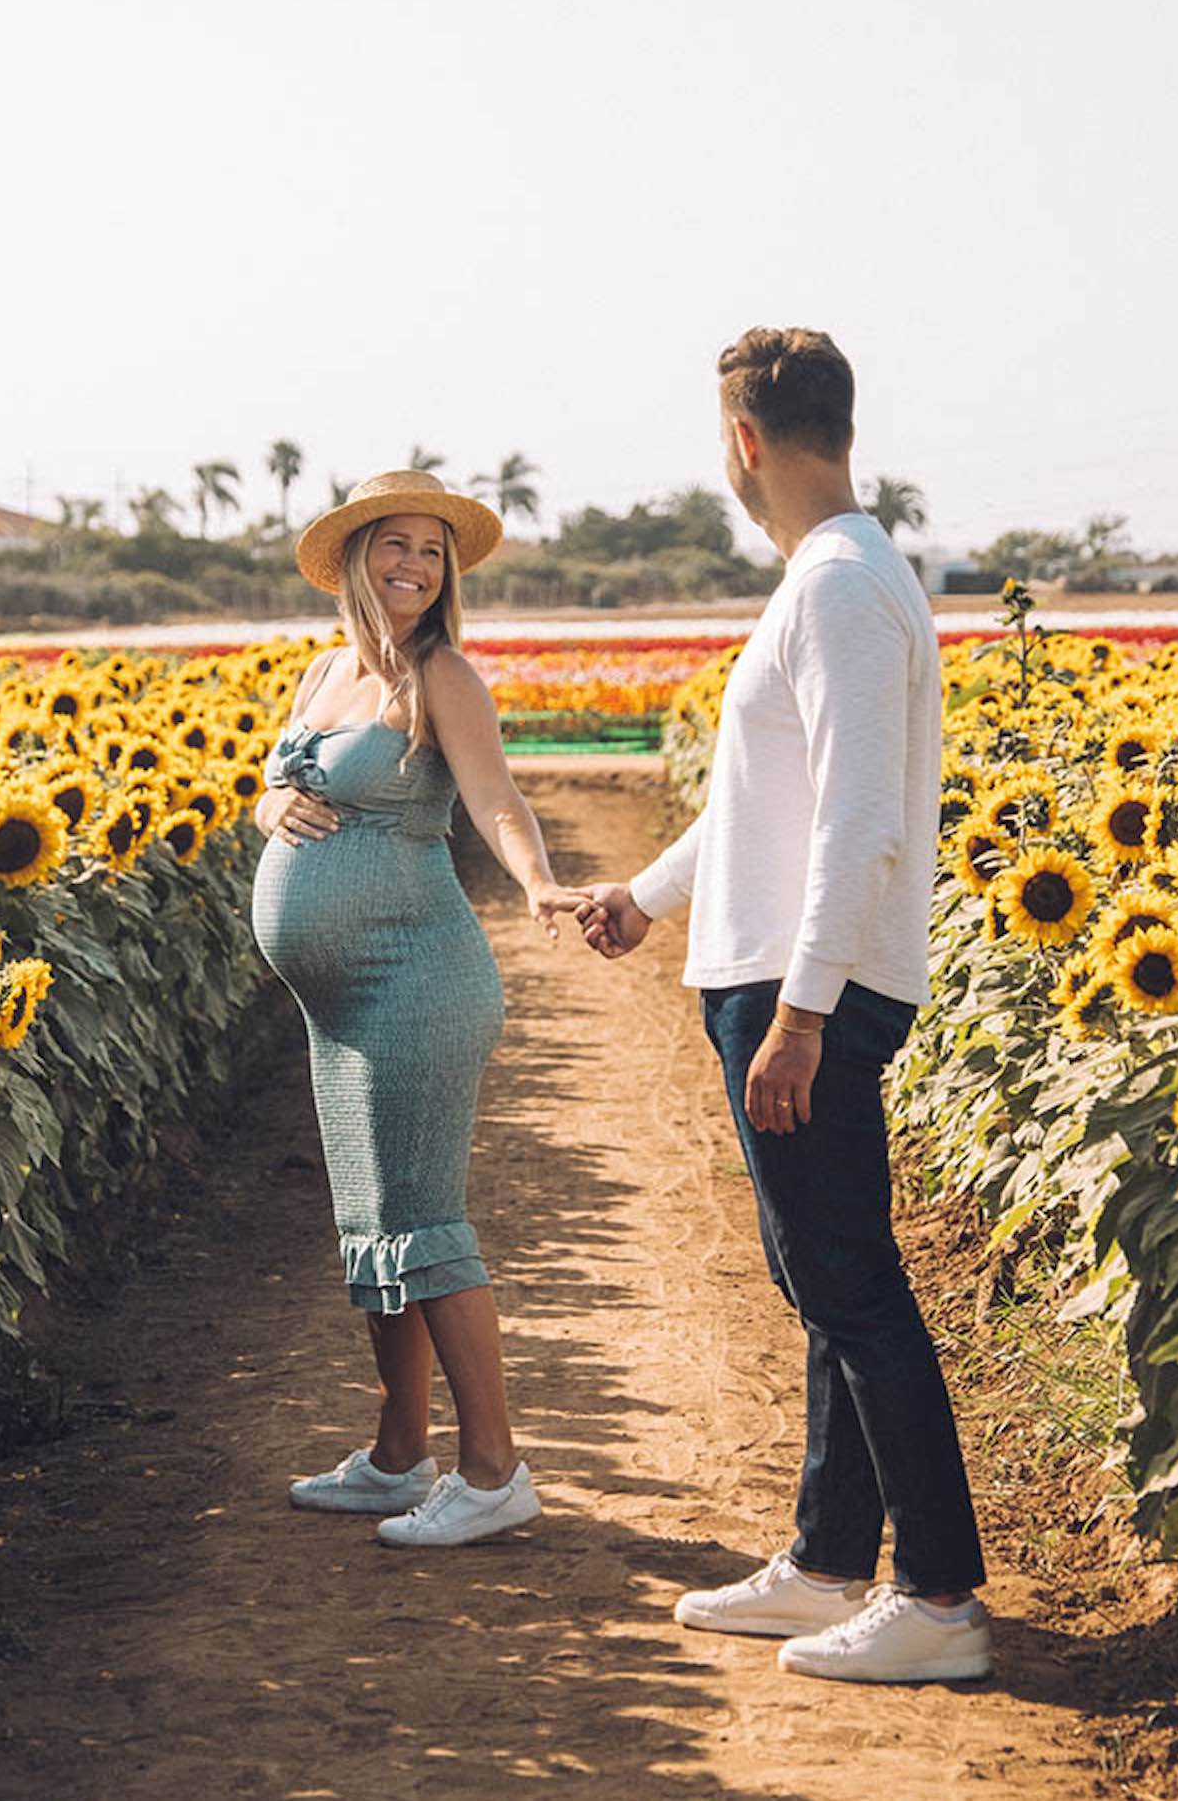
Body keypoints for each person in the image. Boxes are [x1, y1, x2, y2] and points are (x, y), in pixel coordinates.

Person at [579, 328, 991, 1683]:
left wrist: (803, 1013)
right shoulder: (839, 577)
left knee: (854, 1285)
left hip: (807, 985)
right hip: (779, 969)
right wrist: (644, 895)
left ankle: (939, 1597)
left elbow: (865, 822)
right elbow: (770, 803)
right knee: (821, 1278)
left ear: (745, 441)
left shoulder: (839, 588)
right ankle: (827, 1561)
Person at [250, 470, 586, 1547]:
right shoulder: (321, 672)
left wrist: (537, 884)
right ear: (355, 558)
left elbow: (495, 797)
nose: (414, 565)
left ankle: (495, 1470)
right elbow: (271, 776)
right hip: (339, 1006)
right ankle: (401, 1454)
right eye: (395, 544)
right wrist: (271, 798)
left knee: (427, 1226)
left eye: (432, 551)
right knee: (376, 1230)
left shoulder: (441, 674)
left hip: (417, 978)